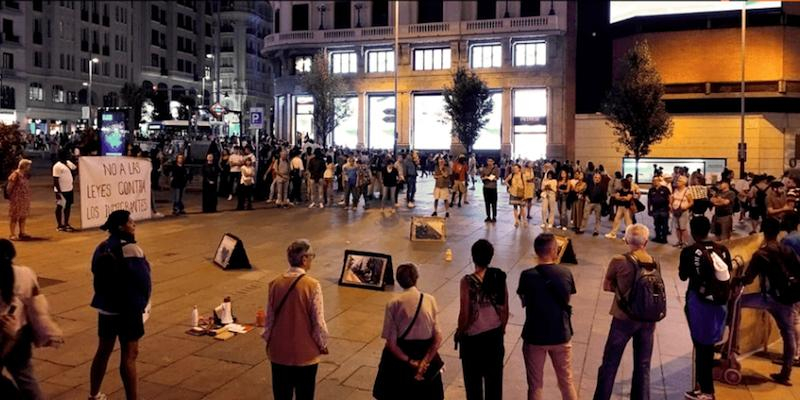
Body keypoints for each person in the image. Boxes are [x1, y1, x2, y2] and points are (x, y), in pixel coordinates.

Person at [89, 210, 152, 400]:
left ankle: (94, 394)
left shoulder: (102, 247)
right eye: (130, 222)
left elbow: (94, 270)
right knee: (130, 355)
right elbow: (144, 282)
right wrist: (143, 304)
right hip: (128, 309)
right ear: (121, 226)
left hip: (106, 308)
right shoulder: (133, 250)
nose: (134, 224)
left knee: (103, 351)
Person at [594, 224, 661, 400]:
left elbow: (607, 286)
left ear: (626, 240)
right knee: (643, 365)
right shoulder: (654, 261)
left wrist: (622, 290)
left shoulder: (619, 260)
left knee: (610, 364)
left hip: (623, 319)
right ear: (646, 241)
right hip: (647, 320)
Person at [263, 240, 328, 400]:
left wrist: (269, 341)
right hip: (304, 354)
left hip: (279, 352)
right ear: (304, 259)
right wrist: (322, 344)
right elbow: (318, 321)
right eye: (311, 256)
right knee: (304, 394)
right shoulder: (312, 285)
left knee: (281, 394)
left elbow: (269, 318)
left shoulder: (275, 283)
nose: (312, 260)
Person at [735, 217, 797, 385]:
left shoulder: (761, 254)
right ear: (778, 232)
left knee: (736, 303)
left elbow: (748, 279)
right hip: (787, 299)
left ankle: (733, 344)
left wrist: (736, 280)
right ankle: (786, 374)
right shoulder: (787, 250)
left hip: (768, 298)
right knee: (788, 333)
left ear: (763, 231)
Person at [517, 234, 578, 400]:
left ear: (536, 251)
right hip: (561, 334)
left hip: (535, 335)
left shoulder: (526, 275)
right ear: (553, 250)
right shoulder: (566, 272)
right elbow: (566, 300)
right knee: (566, 382)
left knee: (535, 385)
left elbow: (524, 302)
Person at [679, 216, 732, 400]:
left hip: (699, 303)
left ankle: (706, 391)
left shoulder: (689, 251)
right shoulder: (723, 249)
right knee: (708, 345)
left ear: (692, 231)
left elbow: (683, 276)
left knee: (701, 346)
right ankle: (704, 386)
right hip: (720, 304)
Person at [373, 263, 444, 400]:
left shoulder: (393, 303)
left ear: (399, 281)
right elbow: (438, 338)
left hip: (400, 363)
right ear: (416, 278)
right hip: (425, 354)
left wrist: (411, 361)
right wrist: (425, 361)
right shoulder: (430, 300)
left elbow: (392, 344)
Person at [456, 240, 508, 400]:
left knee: (473, 386)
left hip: (473, 341)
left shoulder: (467, 282)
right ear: (491, 257)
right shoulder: (499, 276)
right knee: (494, 384)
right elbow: (505, 309)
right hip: (494, 337)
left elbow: (465, 312)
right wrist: (502, 329)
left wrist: (460, 331)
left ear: (473, 257)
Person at [0, 239, 48, 399]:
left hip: (7, 337)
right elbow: (37, 305)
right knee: (27, 381)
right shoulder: (26, 273)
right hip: (19, 337)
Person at [7, 159, 32, 240]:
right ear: (24, 166)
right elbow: (9, 187)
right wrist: (11, 196)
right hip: (16, 199)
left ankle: (22, 232)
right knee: (14, 216)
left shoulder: (24, 174)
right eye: (28, 165)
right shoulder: (15, 174)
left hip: (24, 199)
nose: (29, 167)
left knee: (23, 216)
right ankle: (12, 234)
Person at [52, 151, 77, 232]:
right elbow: (55, 180)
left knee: (68, 206)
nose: (70, 155)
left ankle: (66, 223)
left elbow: (75, 169)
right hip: (61, 190)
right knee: (60, 207)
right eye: (68, 154)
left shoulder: (69, 163)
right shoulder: (57, 166)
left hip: (69, 189)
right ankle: (59, 225)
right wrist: (58, 192)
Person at [670, 176, 694, 247]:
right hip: (675, 211)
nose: (677, 182)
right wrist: (671, 205)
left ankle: (685, 242)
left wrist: (685, 207)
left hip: (683, 211)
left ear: (684, 183)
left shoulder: (687, 191)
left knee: (683, 228)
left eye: (680, 181)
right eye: (678, 181)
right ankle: (679, 241)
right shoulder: (675, 190)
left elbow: (691, 202)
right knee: (677, 227)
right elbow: (672, 199)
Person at [647, 176, 671, 243]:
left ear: (659, 181)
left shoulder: (665, 189)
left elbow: (669, 198)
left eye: (656, 180)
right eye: (653, 180)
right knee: (657, 224)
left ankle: (664, 238)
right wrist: (649, 209)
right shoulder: (651, 190)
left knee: (664, 224)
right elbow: (649, 200)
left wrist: (670, 206)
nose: (654, 182)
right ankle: (657, 237)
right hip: (655, 210)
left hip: (664, 209)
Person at [480, 158, 500, 223]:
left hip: (493, 187)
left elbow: (497, 178)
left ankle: (494, 216)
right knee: (487, 202)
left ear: (493, 162)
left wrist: (492, 178)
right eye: (488, 161)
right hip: (486, 187)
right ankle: (488, 216)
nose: (489, 162)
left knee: (494, 203)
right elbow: (481, 177)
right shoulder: (484, 169)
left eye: (491, 161)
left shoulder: (496, 169)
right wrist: (485, 178)